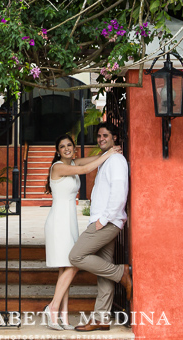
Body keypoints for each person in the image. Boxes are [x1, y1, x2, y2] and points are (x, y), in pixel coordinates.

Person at [41, 133, 121, 331]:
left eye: (69, 145)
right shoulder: (58, 167)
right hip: (58, 222)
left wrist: (110, 151)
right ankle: (52, 307)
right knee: (72, 264)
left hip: (70, 222)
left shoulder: (73, 162)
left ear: (74, 148)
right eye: (62, 146)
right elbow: (86, 169)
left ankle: (64, 317)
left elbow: (94, 158)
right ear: (57, 151)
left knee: (66, 267)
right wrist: (109, 152)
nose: (66, 148)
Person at [67, 122, 132, 332]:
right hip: (102, 220)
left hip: (107, 222)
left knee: (76, 256)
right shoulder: (107, 159)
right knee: (103, 270)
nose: (101, 139)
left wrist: (103, 220)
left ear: (114, 138)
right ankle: (101, 318)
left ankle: (121, 273)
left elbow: (119, 192)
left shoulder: (117, 161)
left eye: (105, 135)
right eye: (99, 136)